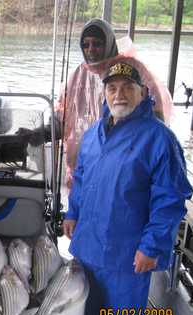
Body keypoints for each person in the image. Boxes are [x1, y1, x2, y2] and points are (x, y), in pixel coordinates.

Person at [62, 62, 193, 315]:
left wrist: (152, 247)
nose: (118, 94)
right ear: (104, 93)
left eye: (127, 88)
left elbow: (170, 199)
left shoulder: (160, 138)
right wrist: (73, 212)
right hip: (89, 247)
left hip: (128, 256)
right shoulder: (94, 133)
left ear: (142, 93)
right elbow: (80, 178)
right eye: (112, 88)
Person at [57, 18, 173, 188]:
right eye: (86, 44)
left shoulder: (133, 68)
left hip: (128, 154)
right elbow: (63, 109)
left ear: (109, 43)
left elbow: (156, 109)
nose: (91, 50)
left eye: (97, 44)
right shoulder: (79, 73)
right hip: (90, 156)